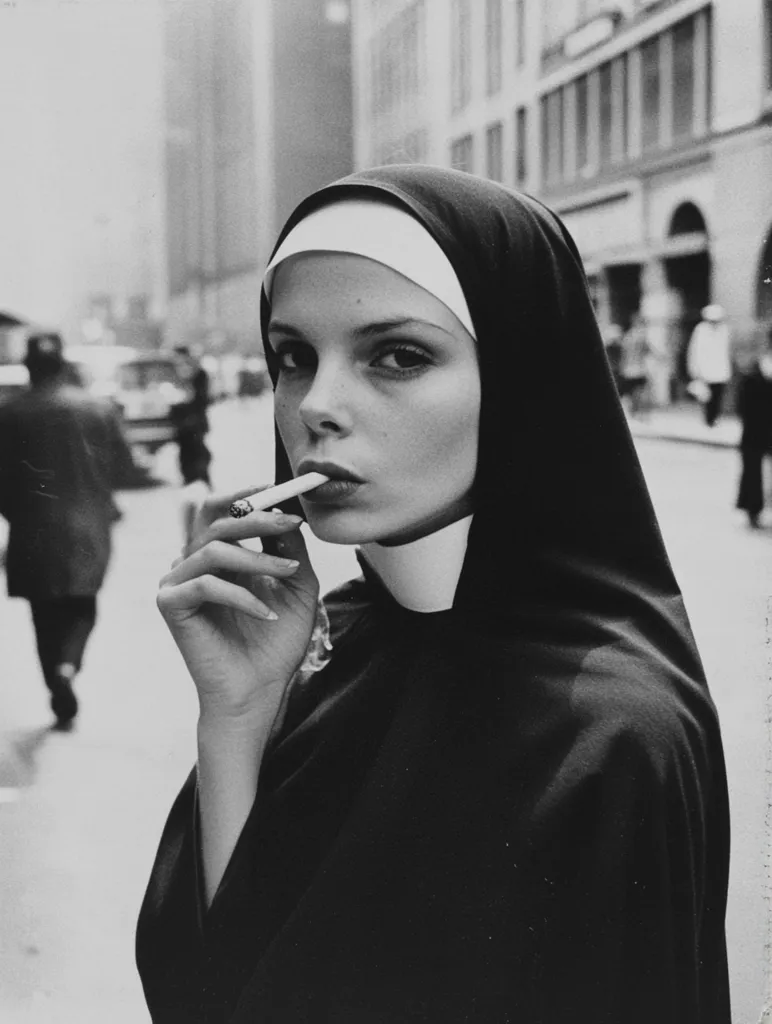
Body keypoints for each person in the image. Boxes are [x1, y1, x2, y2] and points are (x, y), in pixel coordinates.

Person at [136, 166, 730, 1022]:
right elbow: (214, 987)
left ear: (521, 382)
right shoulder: (320, 639)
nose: (316, 407)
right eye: (293, 358)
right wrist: (236, 712)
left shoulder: (611, 732)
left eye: (398, 356)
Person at [0, 332, 134, 727]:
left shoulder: (8, 414)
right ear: (63, 364)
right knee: (82, 605)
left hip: (30, 530)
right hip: (89, 528)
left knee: (42, 615)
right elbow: (125, 466)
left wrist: (15, 514)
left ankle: (55, 679)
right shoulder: (98, 408)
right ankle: (68, 667)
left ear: (28, 366)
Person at [736, 339, 772, 527]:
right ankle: (753, 509)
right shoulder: (755, 370)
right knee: (752, 470)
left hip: (758, 427)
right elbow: (742, 405)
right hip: (755, 428)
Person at [172, 345, 213, 489]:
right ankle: (191, 482)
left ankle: (202, 483)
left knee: (198, 454)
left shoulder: (197, 373)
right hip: (183, 424)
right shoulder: (177, 372)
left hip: (194, 422)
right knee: (186, 455)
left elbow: (202, 398)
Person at [687, 304, 733, 427]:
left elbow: (726, 350)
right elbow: (694, 350)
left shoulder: (724, 330)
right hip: (705, 370)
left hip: (721, 370)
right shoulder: (701, 329)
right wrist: (694, 368)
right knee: (707, 397)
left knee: (718, 396)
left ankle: (715, 417)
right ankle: (709, 419)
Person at [618, 311, 651, 417]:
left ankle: (633, 411)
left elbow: (623, 354)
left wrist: (622, 367)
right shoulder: (642, 336)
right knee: (639, 392)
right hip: (640, 369)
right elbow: (648, 350)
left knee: (632, 392)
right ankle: (636, 411)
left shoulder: (627, 336)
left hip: (628, 369)